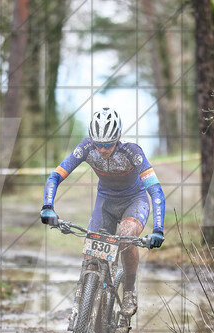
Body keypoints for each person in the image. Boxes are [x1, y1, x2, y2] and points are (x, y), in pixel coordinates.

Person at [40, 107, 165, 318]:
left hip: (134, 201)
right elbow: (55, 176)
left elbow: (156, 191)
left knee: (126, 237)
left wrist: (158, 229)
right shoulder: (86, 148)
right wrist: (47, 206)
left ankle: (129, 292)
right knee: (91, 254)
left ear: (117, 138)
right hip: (105, 201)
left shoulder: (132, 152)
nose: (102, 149)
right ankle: (81, 304)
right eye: (98, 144)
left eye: (107, 145)